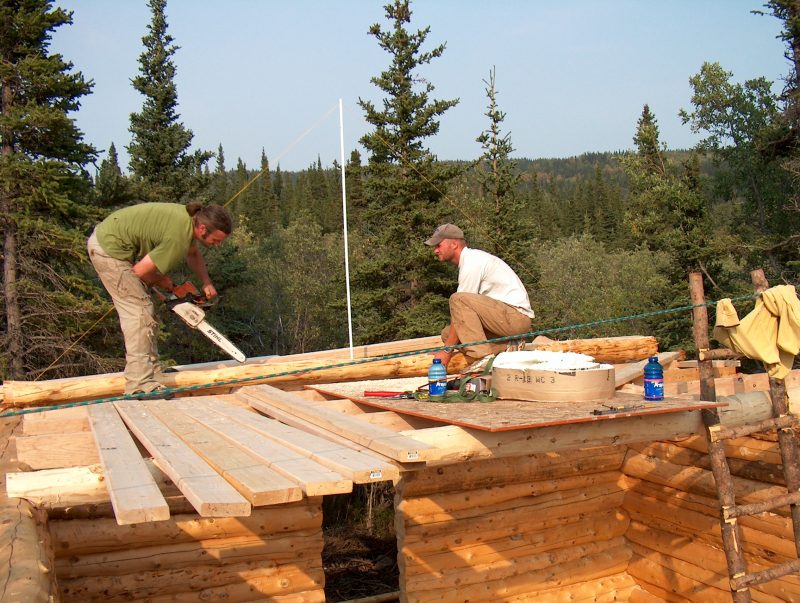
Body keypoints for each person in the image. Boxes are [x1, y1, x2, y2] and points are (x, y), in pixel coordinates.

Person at [87, 201, 233, 397]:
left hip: (113, 244)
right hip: (109, 251)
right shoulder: (178, 238)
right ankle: (139, 384)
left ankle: (153, 372)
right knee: (139, 313)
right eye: (216, 240)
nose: (217, 245)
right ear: (202, 229)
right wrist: (172, 287)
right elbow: (140, 272)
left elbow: (193, 254)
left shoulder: (189, 222)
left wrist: (206, 282)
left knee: (147, 311)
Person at [425, 223, 534, 368]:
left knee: (458, 300)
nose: (435, 250)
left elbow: (462, 304)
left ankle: (482, 359)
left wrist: (446, 352)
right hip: (504, 319)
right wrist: (447, 346)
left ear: (454, 244)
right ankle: (507, 346)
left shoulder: (472, 262)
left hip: (515, 317)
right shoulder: (471, 260)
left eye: (438, 245)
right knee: (448, 335)